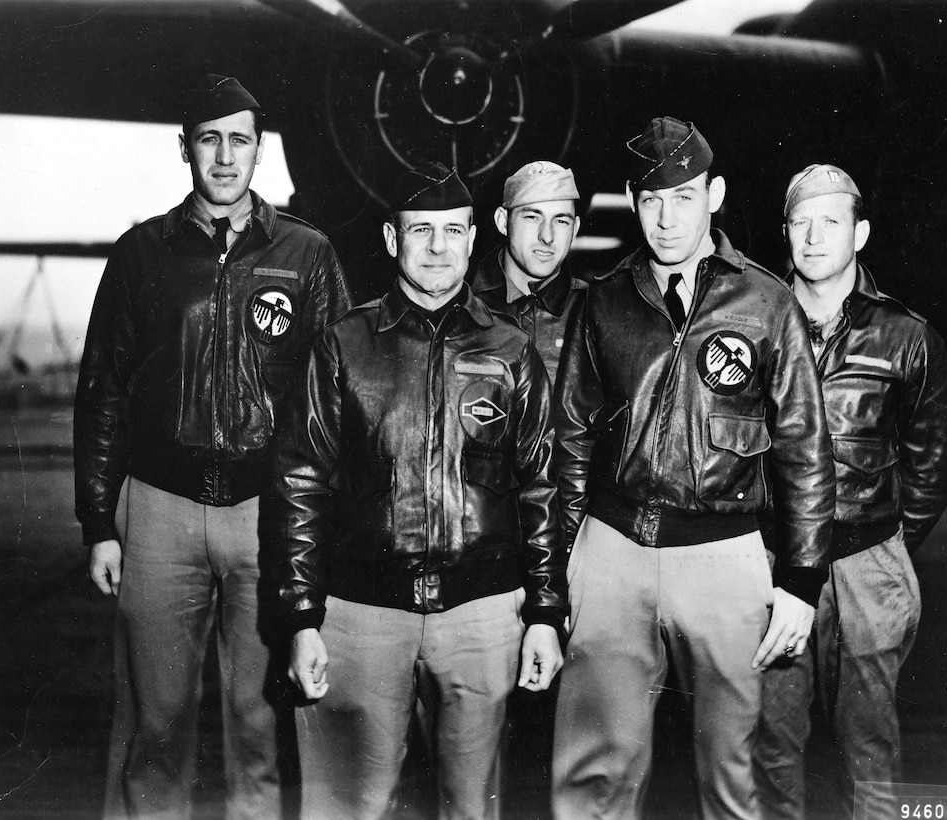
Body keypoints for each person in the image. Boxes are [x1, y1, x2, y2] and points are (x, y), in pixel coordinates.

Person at [74, 74, 351, 817]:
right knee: (155, 724)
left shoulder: (308, 254)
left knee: (259, 725)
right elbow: (102, 390)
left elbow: (337, 400)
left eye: (240, 141)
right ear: (185, 149)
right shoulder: (141, 255)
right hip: (160, 510)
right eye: (209, 140)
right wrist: (100, 522)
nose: (224, 158)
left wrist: (327, 524)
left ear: (261, 150)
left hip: (266, 513)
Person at [549, 116, 836, 819]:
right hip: (612, 553)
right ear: (630, 200)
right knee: (594, 776)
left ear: (715, 195)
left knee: (731, 778)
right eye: (650, 200)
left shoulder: (767, 301)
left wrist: (800, 580)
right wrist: (557, 565)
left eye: (683, 197)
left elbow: (804, 446)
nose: (666, 217)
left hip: (724, 557)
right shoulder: (603, 300)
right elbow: (572, 439)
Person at [262, 161, 568, 820]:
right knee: (347, 805)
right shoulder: (343, 345)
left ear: (473, 237)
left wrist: (544, 613)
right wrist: (298, 617)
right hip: (359, 616)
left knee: (473, 806)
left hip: (481, 618)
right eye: (420, 231)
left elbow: (541, 486)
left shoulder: (512, 351)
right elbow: (299, 484)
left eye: (452, 231)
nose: (437, 247)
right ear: (392, 239)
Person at [754, 164, 947, 820]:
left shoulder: (905, 336)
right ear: (785, 232)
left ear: (861, 232)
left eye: (832, 221)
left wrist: (888, 541)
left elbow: (938, 453)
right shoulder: (752, 325)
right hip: (768, 564)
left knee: (869, 745)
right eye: (801, 222)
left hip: (865, 564)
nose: (815, 237)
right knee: (769, 741)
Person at [470, 160, 585, 384]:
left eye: (561, 220)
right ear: (503, 222)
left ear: (575, 229)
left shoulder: (596, 312)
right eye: (532, 217)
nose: (547, 236)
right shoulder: (464, 308)